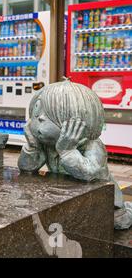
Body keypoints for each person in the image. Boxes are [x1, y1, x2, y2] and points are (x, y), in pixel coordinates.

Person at [18, 80, 132, 230]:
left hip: (102, 197)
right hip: (69, 194)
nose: (39, 119)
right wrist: (32, 147)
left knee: (118, 222)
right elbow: (26, 169)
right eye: (37, 112)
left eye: (50, 115)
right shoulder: (47, 144)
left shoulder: (92, 144)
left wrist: (68, 151)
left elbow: (89, 173)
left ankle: (127, 210)